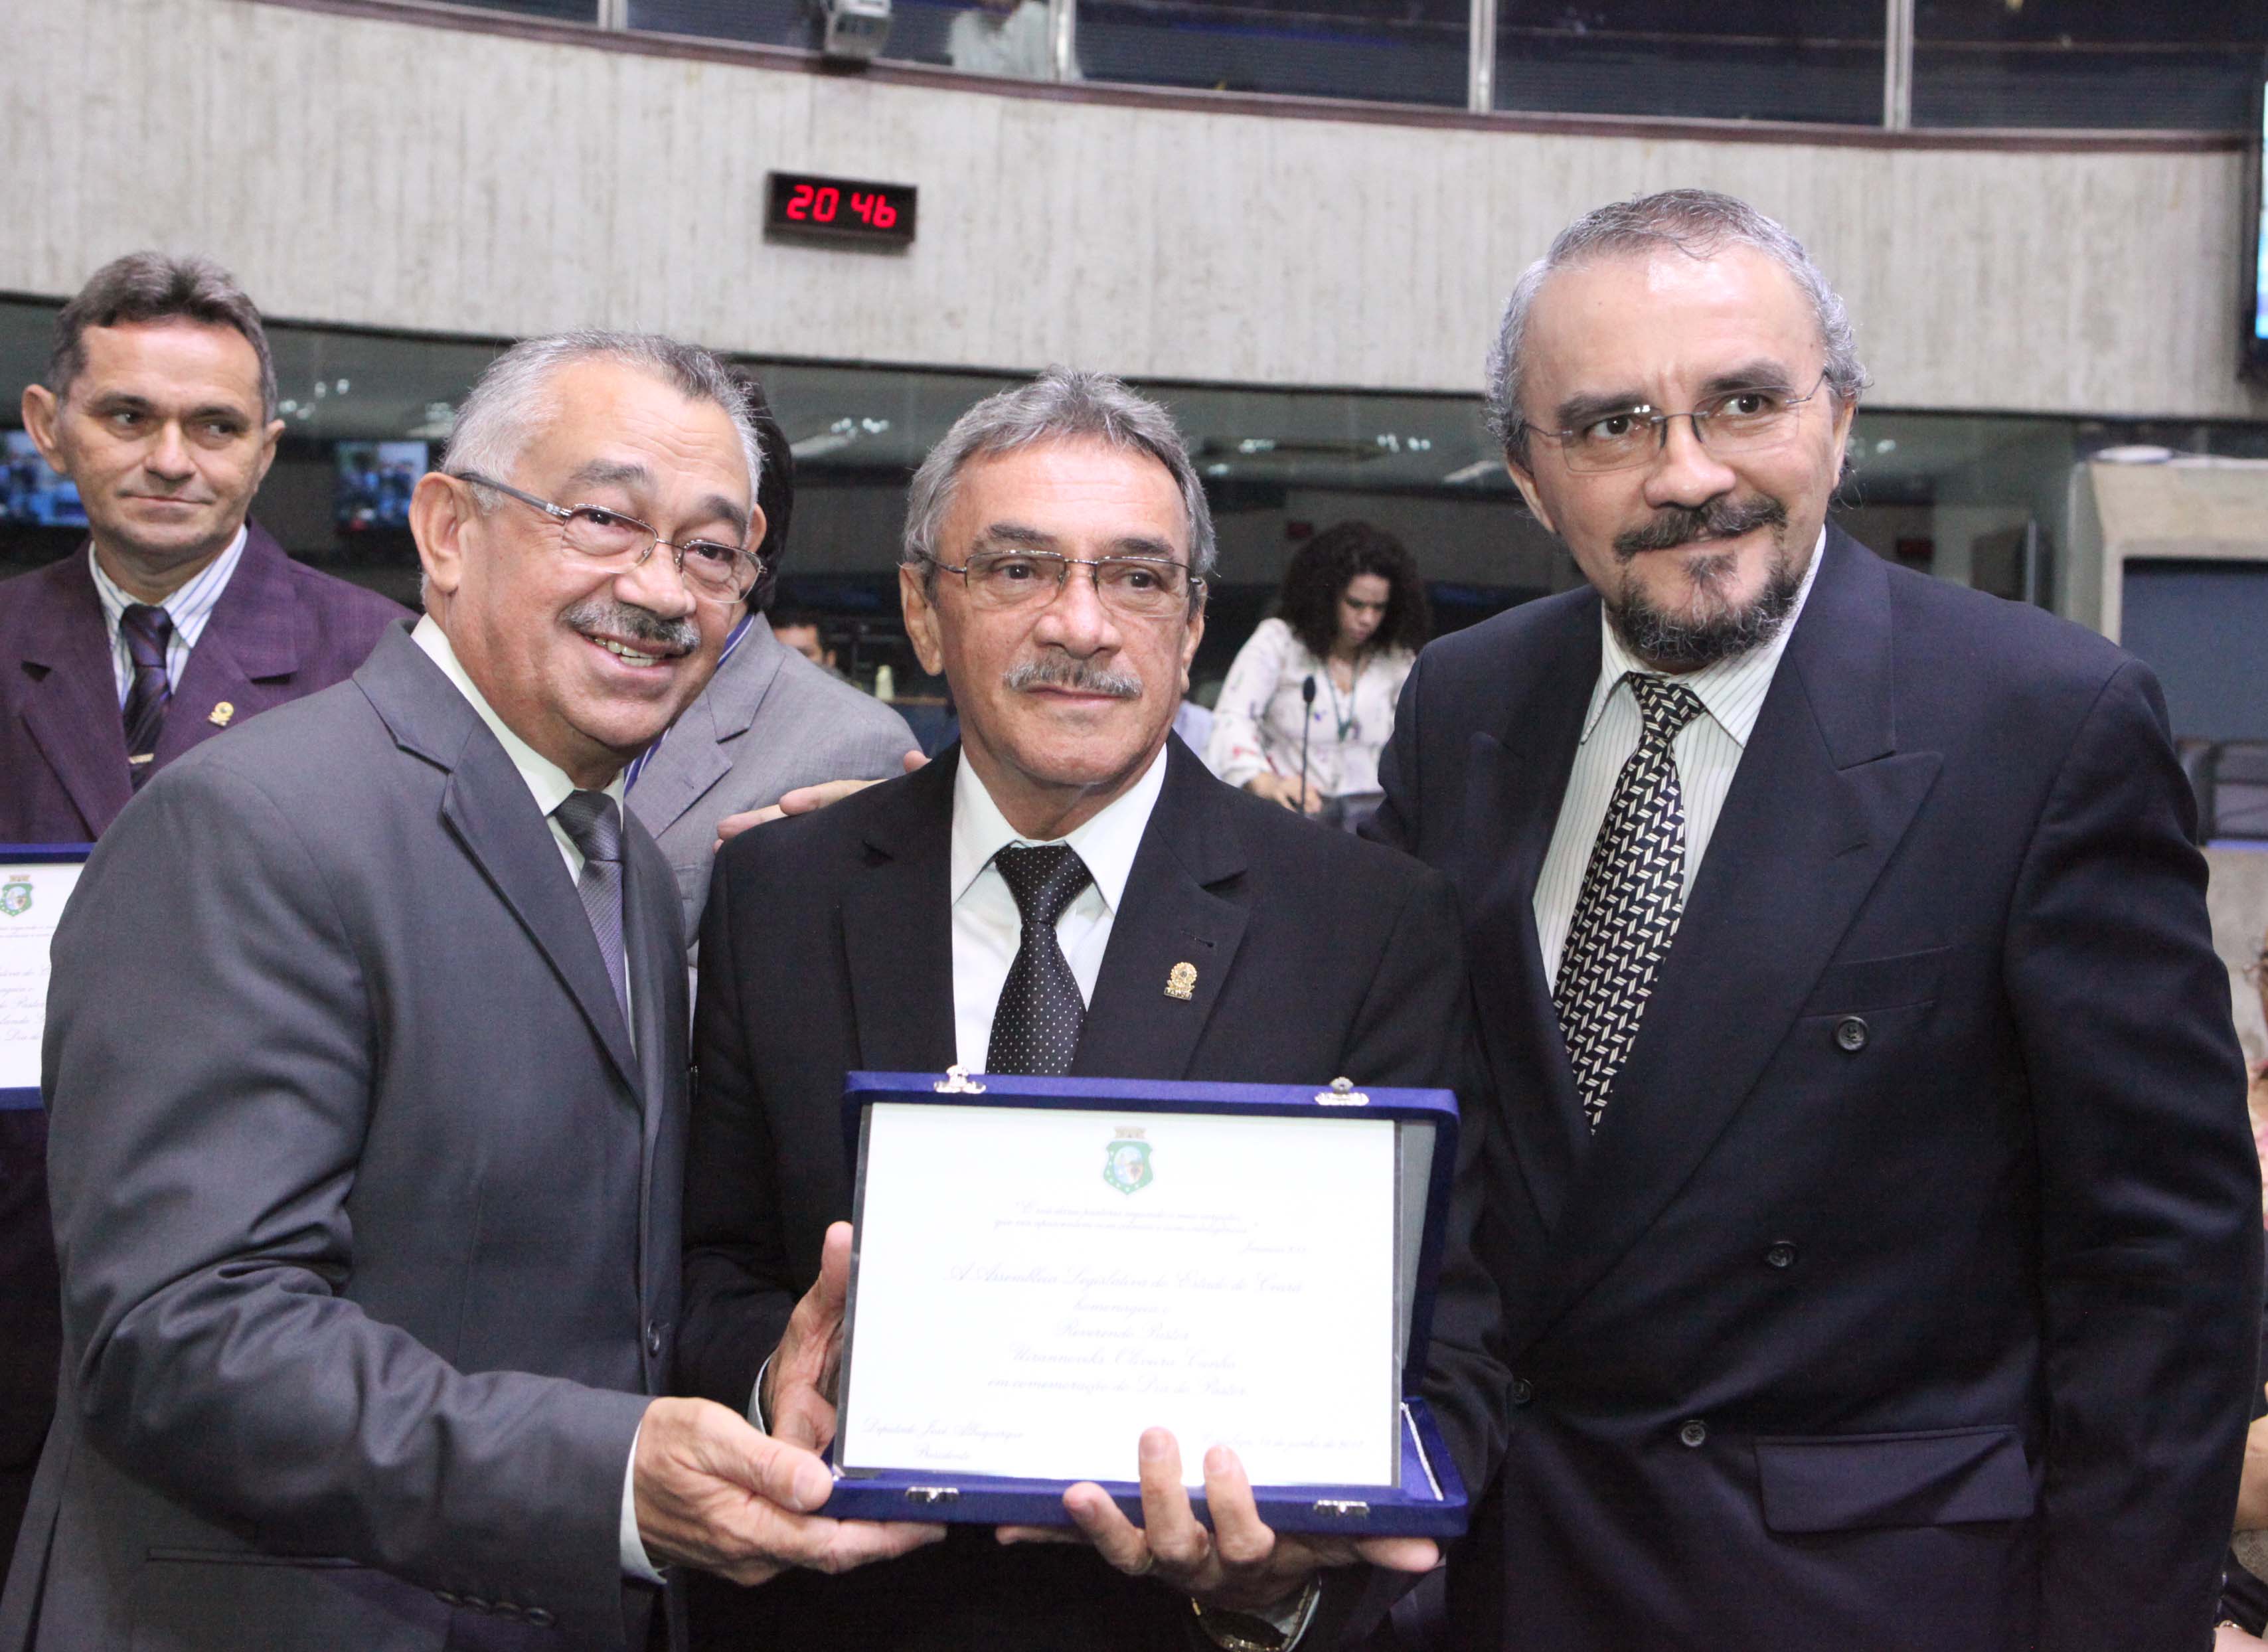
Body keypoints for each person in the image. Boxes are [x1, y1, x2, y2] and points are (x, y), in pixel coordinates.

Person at [1370, 189, 2262, 1649]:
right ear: (1530, 476)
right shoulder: (1464, 701)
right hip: (1502, 1575)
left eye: (1744, 402)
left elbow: (2160, 1270)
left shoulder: (2043, 721)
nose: (1688, 473)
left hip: (1864, 1598)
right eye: (1611, 425)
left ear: (1840, 421)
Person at [0, 331, 939, 1652]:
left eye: (712, 549)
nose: (660, 588)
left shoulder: (614, 854)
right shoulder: (253, 824)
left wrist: (745, 1386)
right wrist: (607, 1473)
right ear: (446, 530)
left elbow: (577, 1282)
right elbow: (185, 1333)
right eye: (603, 519)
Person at [677, 368, 1474, 1652]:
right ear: (922, 612)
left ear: (1192, 624)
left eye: (1138, 577)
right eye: (1017, 569)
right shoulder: (779, 891)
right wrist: (784, 1381)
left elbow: (1445, 1342)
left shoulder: (1369, 925)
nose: (1082, 624)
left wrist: (1276, 1581)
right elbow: (706, 1263)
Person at [0, 253, 405, 1568]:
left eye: (215, 426)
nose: (171, 458)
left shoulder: (384, 663)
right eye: (128, 415)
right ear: (49, 424)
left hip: (280, 1278)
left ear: (267, 448)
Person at [625, 373, 914, 945]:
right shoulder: (550, 690)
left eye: (700, 539)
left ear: (744, 543)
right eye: (606, 517)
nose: (644, 574)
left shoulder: (852, 746)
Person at [1208, 521, 1427, 831]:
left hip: (1371, 827)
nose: (1367, 619)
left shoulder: (1397, 660)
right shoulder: (1279, 643)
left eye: (1379, 608)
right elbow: (1232, 719)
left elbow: (1421, 744)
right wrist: (1265, 782)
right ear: (1326, 596)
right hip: (1292, 820)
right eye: (1355, 604)